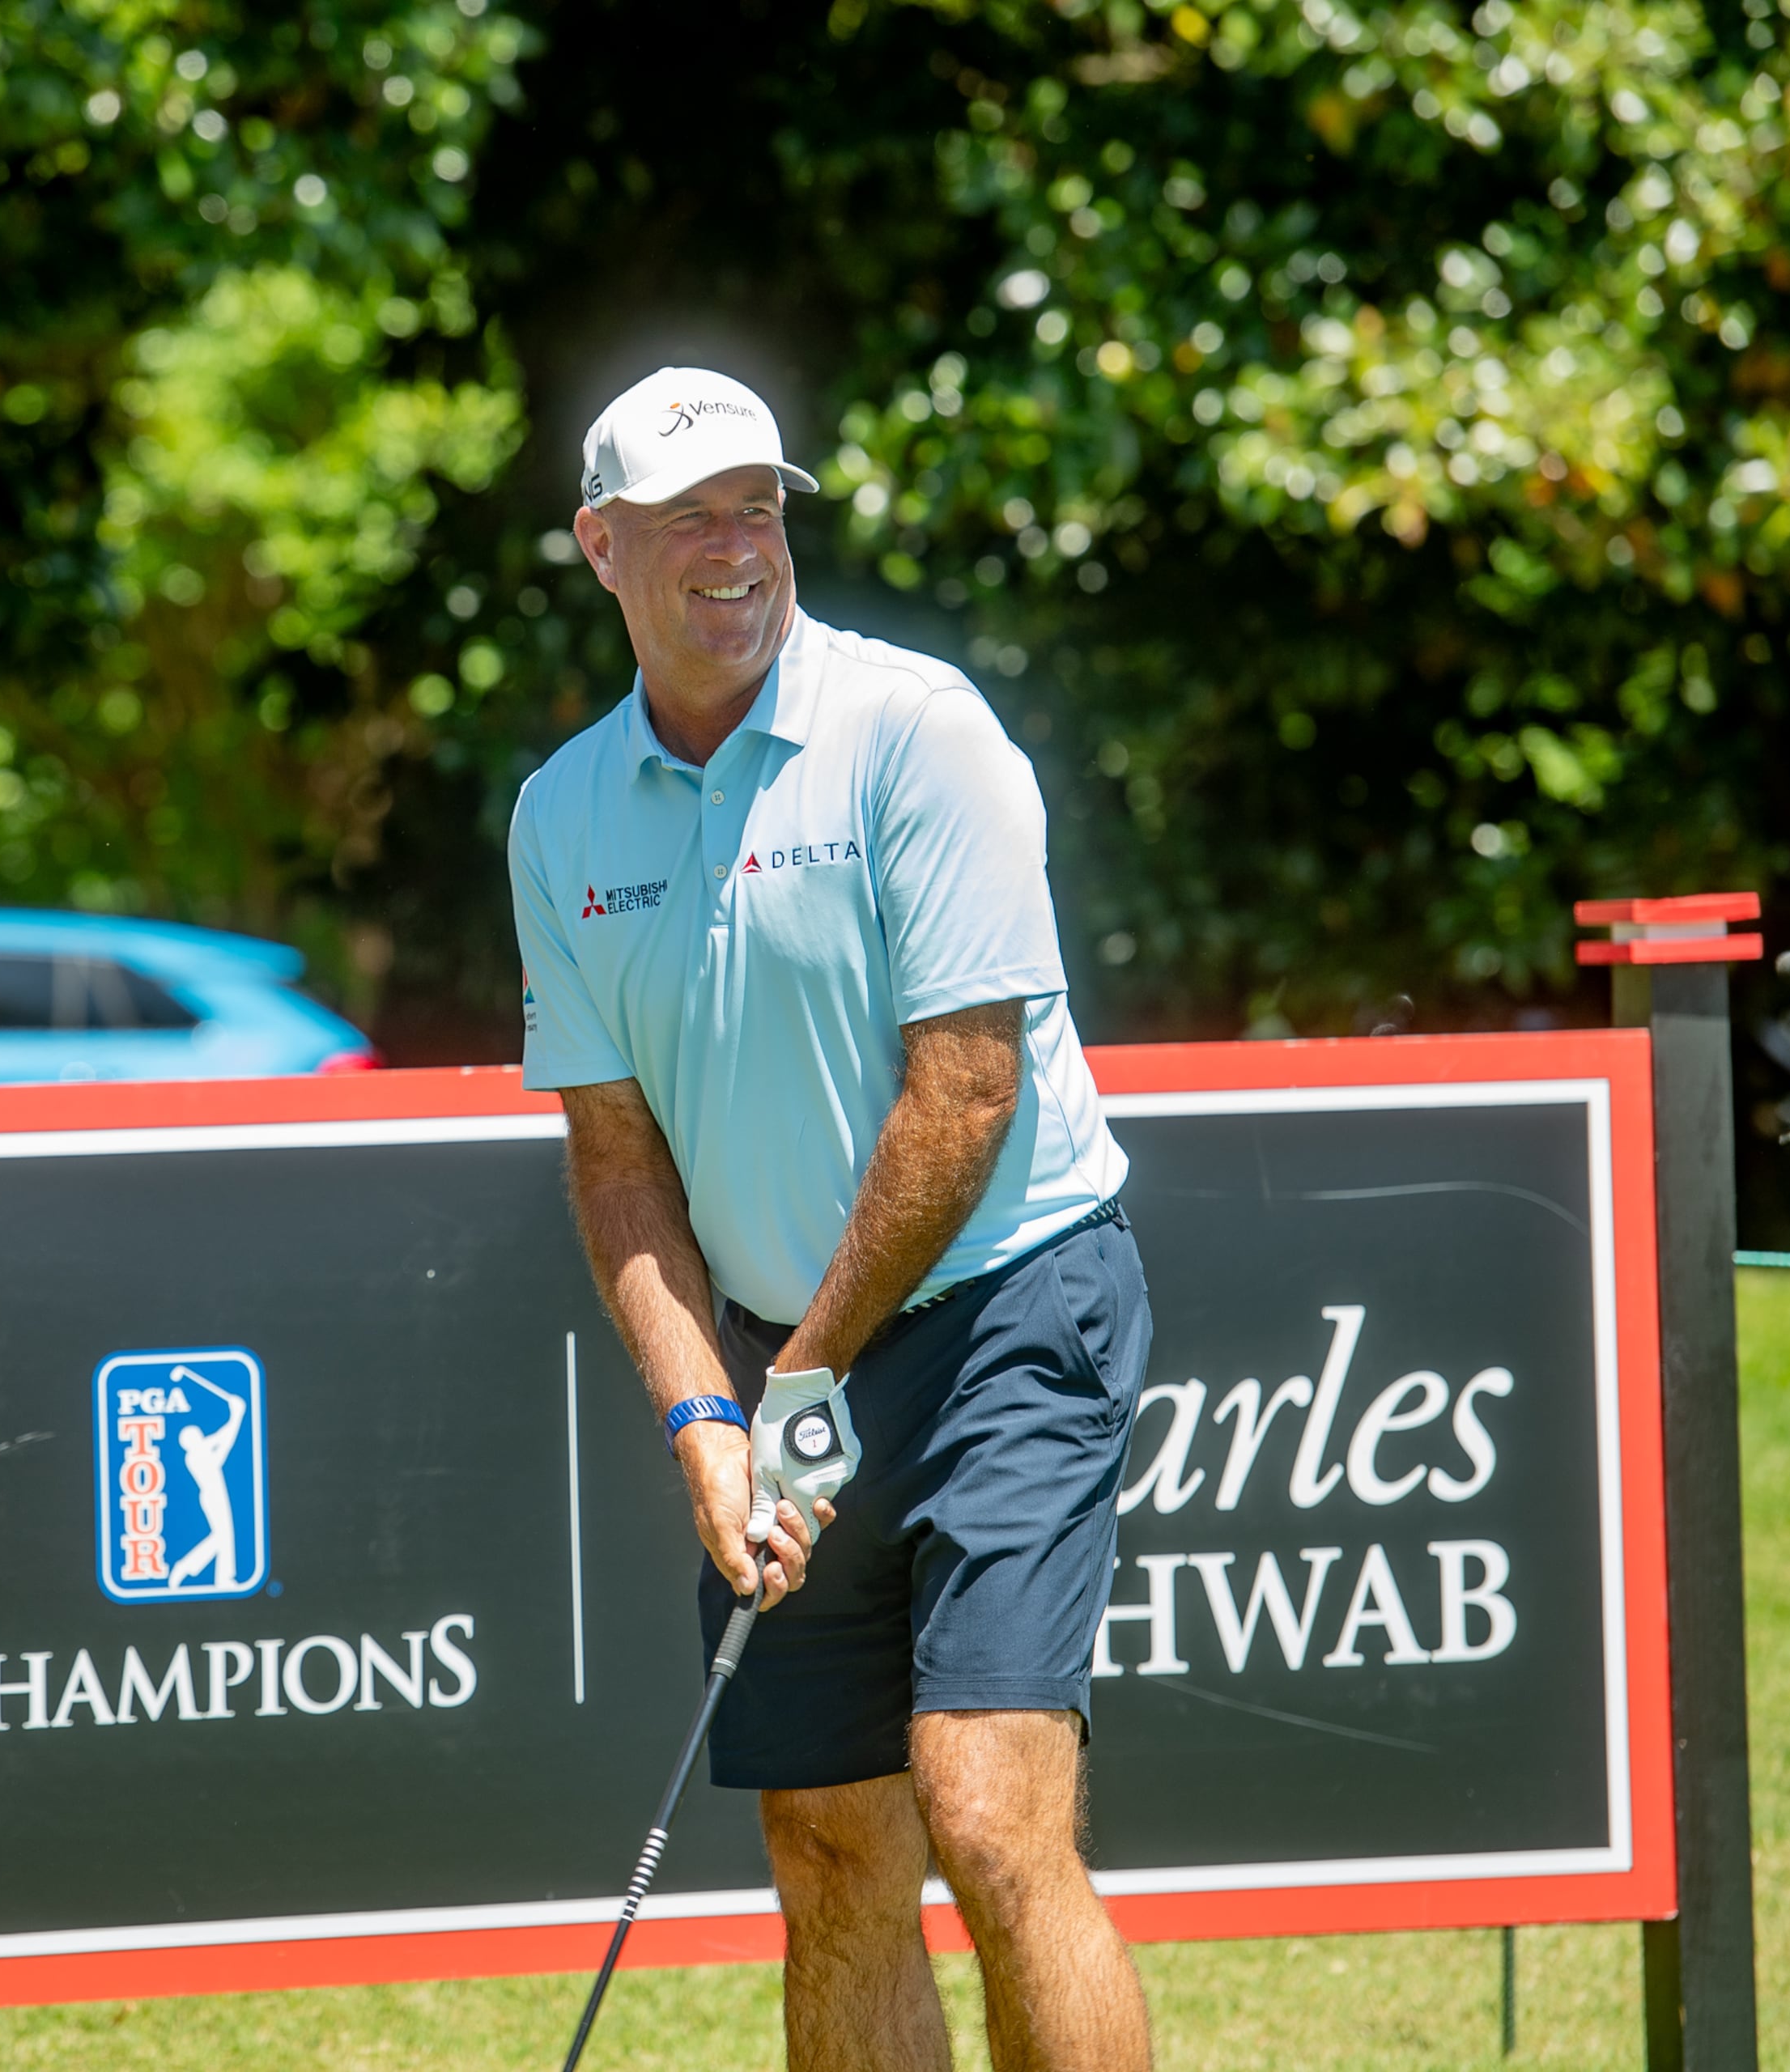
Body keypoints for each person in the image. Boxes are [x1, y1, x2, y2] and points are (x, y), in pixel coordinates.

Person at [508, 367, 1153, 2072]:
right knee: (833, 1841)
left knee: (991, 1812)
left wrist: (797, 1377)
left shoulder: (915, 728)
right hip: (779, 1353)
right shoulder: (561, 813)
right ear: (602, 546)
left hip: (1009, 1298)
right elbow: (615, 1156)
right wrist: (707, 1416)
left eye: (759, 505)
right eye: (689, 515)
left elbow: (965, 1096)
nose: (735, 546)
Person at [162, 1369, 248, 1591]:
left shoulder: (201, 1449)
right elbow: (224, 1444)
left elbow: (221, 1438)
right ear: (191, 1441)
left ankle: (222, 1579)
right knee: (222, 1537)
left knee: (224, 1536)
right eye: (197, 1435)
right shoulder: (196, 1456)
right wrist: (237, 1416)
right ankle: (186, 1566)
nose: (201, 1436)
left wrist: (236, 1416)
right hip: (212, 1496)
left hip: (216, 1493)